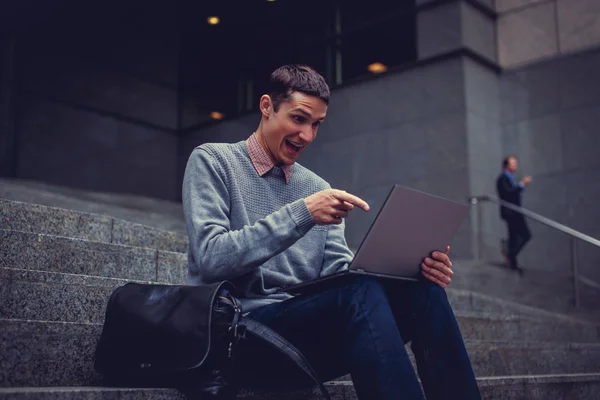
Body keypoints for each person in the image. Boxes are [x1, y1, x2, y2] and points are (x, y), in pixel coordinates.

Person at [182, 65, 481, 400]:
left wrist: (413, 270)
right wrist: (303, 214)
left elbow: (342, 278)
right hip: (240, 337)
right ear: (267, 106)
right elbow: (209, 259)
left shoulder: (317, 187)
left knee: (423, 292)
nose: (307, 135)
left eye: (316, 125)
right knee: (359, 293)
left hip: (309, 338)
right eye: (298, 119)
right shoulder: (213, 161)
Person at [496, 156, 532, 274]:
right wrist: (522, 185)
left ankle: (512, 261)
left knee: (513, 236)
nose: (515, 165)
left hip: (514, 211)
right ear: (507, 165)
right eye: (513, 163)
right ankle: (511, 256)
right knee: (525, 234)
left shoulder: (508, 178)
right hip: (511, 212)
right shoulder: (502, 178)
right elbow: (508, 193)